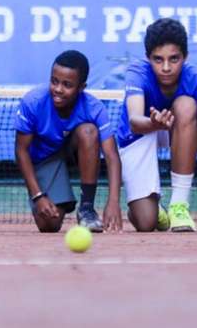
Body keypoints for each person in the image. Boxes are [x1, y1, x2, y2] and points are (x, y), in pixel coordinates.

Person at [117, 18, 197, 232]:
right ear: (148, 58)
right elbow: (135, 121)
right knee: (146, 222)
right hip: (140, 133)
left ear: (185, 57)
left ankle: (178, 205)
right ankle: (153, 209)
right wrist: (154, 123)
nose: (166, 67)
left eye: (174, 59)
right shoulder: (137, 73)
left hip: (181, 127)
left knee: (185, 105)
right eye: (158, 60)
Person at [14, 50, 122, 233]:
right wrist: (38, 196)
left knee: (89, 131)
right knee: (49, 225)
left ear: (81, 87)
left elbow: (112, 156)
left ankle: (87, 208)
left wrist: (113, 201)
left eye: (67, 85)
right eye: (54, 81)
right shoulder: (33, 102)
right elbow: (21, 151)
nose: (58, 89)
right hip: (44, 159)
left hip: (74, 152)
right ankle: (61, 197)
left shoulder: (94, 108)